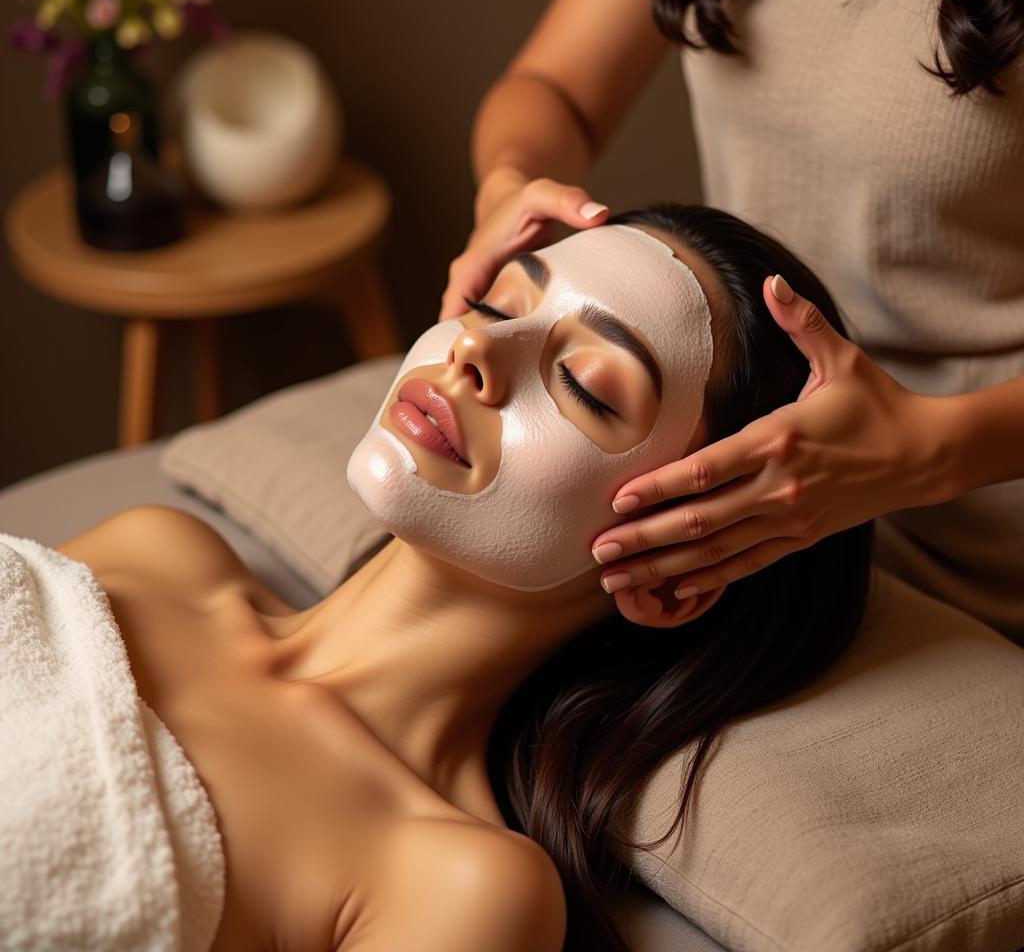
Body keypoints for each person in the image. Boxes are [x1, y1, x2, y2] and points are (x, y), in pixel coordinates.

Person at [56, 208, 872, 952]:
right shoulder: (152, 552)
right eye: (497, 306)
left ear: (670, 577)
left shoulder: (458, 889)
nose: (475, 350)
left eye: (585, 385)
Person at [440, 0, 1024, 643]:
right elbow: (555, 88)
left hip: (979, 511)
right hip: (737, 476)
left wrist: (929, 451)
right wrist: (511, 182)